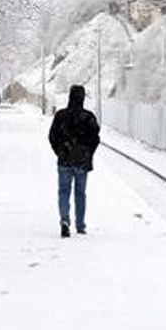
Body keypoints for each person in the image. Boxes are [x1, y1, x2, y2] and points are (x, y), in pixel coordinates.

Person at [48, 84, 100, 238]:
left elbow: (52, 136)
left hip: (64, 159)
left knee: (63, 191)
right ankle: (80, 224)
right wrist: (87, 153)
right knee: (80, 193)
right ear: (82, 98)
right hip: (82, 161)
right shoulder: (89, 117)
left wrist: (60, 151)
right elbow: (95, 139)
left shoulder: (61, 116)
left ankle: (64, 219)